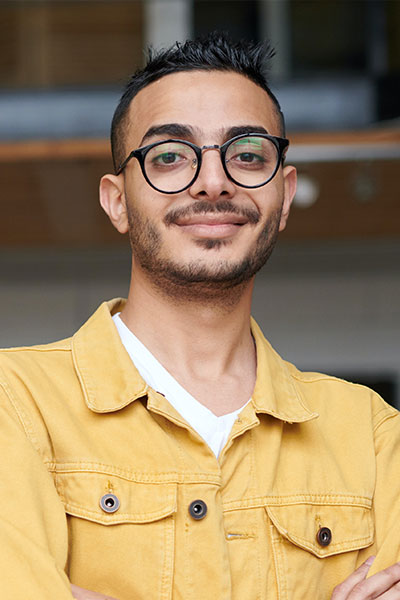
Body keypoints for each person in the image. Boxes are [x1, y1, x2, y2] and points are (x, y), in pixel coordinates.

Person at [1, 32, 400, 600]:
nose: (214, 182)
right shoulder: (16, 403)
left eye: (247, 155)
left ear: (284, 196)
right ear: (117, 200)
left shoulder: (372, 435)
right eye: (169, 156)